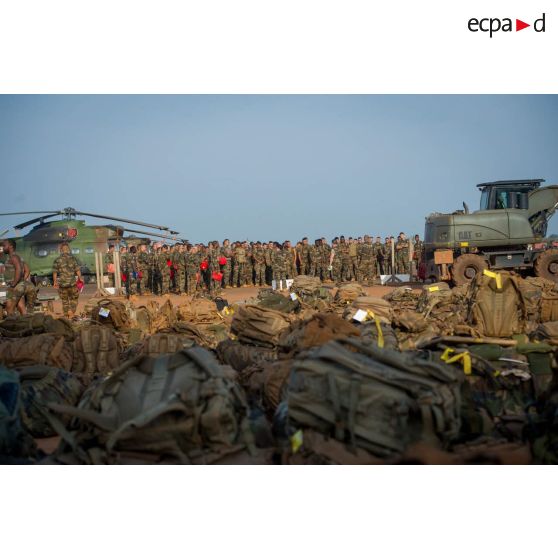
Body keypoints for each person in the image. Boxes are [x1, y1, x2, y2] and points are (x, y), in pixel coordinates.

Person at [52, 242, 82, 318]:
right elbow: (77, 270)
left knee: (64, 301)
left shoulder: (57, 260)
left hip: (62, 284)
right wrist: (80, 278)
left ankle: (66, 316)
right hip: (72, 284)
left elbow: (55, 272)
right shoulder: (73, 259)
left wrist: (55, 281)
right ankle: (72, 312)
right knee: (74, 299)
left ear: (61, 250)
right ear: (68, 249)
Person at [2, 239, 26, 316]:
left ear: (11, 246)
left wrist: (14, 284)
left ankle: (12, 325)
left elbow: (19, 269)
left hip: (14, 286)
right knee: (20, 306)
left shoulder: (14, 257)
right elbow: (27, 269)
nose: (3, 247)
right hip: (15, 285)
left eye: (4, 245)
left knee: (9, 307)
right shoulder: (12, 257)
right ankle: (26, 322)